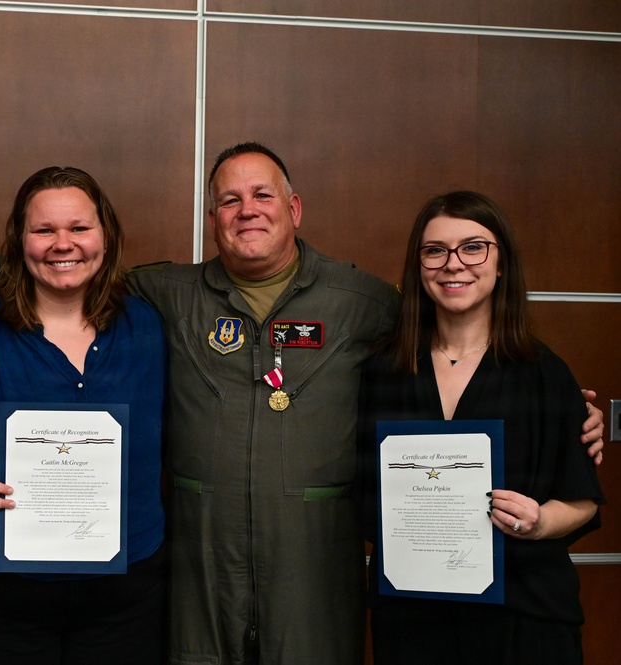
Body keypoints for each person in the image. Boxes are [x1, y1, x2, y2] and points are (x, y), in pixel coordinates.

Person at [128, 142, 605, 665]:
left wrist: (568, 412)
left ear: (294, 209)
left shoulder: (366, 304)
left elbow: (571, 482)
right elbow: (81, 297)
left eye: (263, 194)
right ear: (213, 216)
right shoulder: (164, 292)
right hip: (229, 567)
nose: (248, 209)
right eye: (230, 199)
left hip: (386, 583)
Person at [357, 191, 603, 664]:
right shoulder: (381, 372)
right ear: (417, 265)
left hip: (524, 617)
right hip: (412, 617)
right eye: (435, 251)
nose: (454, 264)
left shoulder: (544, 373)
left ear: (501, 261)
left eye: (473, 247)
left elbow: (584, 501)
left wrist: (539, 522)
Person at [0, 166, 167, 665]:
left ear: (105, 236)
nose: (64, 244)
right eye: (44, 230)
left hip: (125, 597)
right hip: (2, 598)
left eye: (79, 228)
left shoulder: (146, 329)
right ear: (21, 241)